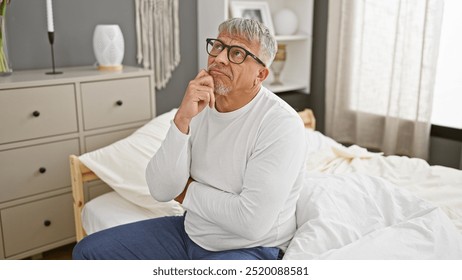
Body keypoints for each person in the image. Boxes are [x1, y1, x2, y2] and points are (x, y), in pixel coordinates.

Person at [72, 17, 306, 260]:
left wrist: (186, 192)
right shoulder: (198, 106)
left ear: (260, 74)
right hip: (190, 233)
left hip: (252, 247)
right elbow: (161, 190)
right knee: (88, 252)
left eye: (237, 53)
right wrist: (182, 119)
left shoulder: (281, 124)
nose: (220, 58)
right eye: (218, 46)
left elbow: (251, 222)